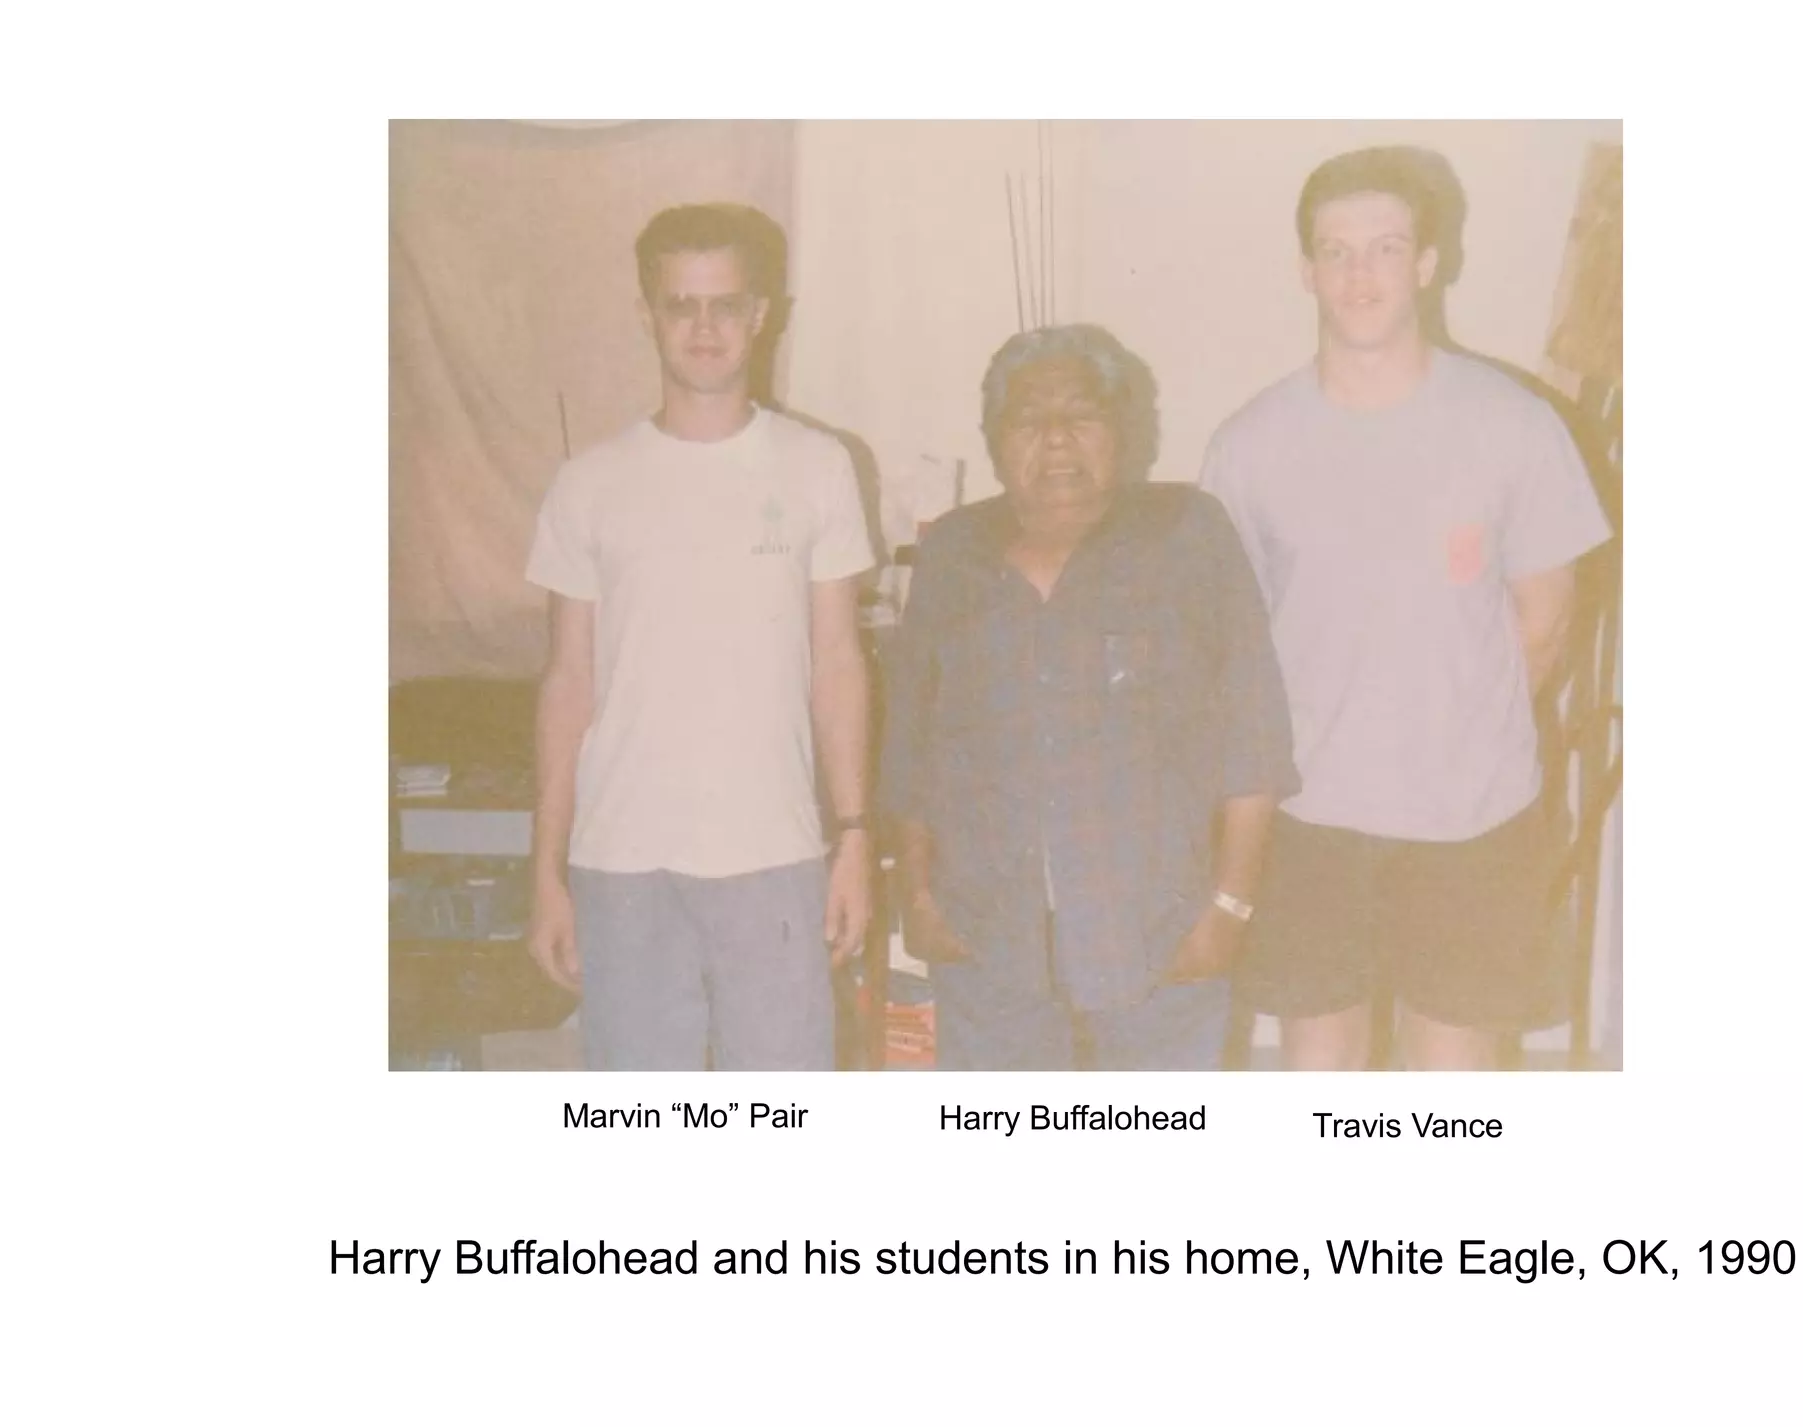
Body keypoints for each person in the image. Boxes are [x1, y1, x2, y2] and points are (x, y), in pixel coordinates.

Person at [1200, 147, 1611, 1071]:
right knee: (1319, 1067)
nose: (1360, 274)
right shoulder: (1249, 446)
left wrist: (1455, 731)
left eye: (1386, 247)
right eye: (1336, 251)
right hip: (1311, 818)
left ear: (1428, 263)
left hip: (1474, 818)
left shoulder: (1516, 425)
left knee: (1453, 1087)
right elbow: (1236, 644)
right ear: (1306, 269)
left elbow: (1546, 620)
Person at [880, 324, 1296, 1070]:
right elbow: (914, 740)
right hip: (987, 930)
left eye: (1082, 414)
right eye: (1029, 419)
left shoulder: (1189, 535)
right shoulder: (953, 552)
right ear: (995, 440)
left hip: (1156, 928)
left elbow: (1253, 739)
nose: (1058, 438)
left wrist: (1229, 908)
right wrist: (918, 892)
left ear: (1125, 431)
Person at [523, 203, 875, 1070]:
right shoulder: (588, 483)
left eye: (725, 304)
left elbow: (839, 665)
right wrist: (546, 870)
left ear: (761, 314)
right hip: (623, 865)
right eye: (681, 305)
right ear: (648, 315)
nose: (704, 327)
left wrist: (857, 836)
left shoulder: (818, 466)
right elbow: (567, 683)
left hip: (776, 855)